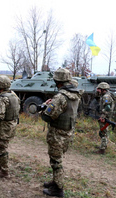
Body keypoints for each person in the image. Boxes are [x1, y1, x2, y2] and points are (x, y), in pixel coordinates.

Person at [41, 68, 80, 197]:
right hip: (68, 132)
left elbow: (47, 116)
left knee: (56, 161)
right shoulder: (75, 94)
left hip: (57, 134)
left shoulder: (60, 97)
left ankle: (58, 189)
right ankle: (55, 182)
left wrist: (45, 107)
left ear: (58, 81)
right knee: (57, 158)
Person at [0, 75, 20, 178]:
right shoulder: (14, 95)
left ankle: (4, 170)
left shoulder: (2, 98)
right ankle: (1, 164)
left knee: (2, 147)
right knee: (0, 145)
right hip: (12, 124)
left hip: (4, 126)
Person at [95, 82, 115, 154]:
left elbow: (107, 107)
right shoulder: (106, 95)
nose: (97, 90)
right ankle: (103, 146)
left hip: (105, 117)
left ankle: (102, 149)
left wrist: (103, 116)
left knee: (103, 132)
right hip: (106, 116)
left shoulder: (106, 97)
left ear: (103, 89)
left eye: (99, 89)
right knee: (103, 131)